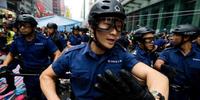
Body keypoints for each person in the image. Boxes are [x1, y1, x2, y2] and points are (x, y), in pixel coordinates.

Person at [40, 0, 169, 100]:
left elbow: (159, 78)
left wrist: (155, 97)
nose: (114, 32)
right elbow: (46, 76)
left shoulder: (122, 55)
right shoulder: (72, 54)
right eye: (107, 25)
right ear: (91, 27)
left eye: (118, 27)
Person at [0, 14, 61, 100]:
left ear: (33, 26)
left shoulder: (44, 39)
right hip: (28, 75)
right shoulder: (18, 41)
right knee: (32, 96)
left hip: (44, 74)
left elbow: (57, 53)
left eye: (25, 25)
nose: (21, 28)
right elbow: (11, 54)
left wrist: (53, 68)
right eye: (20, 25)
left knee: (46, 97)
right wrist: (5, 64)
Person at [154, 24, 200, 100]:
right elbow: (157, 64)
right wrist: (164, 67)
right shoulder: (168, 52)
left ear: (186, 37)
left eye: (176, 35)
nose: (172, 38)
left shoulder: (198, 54)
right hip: (173, 95)